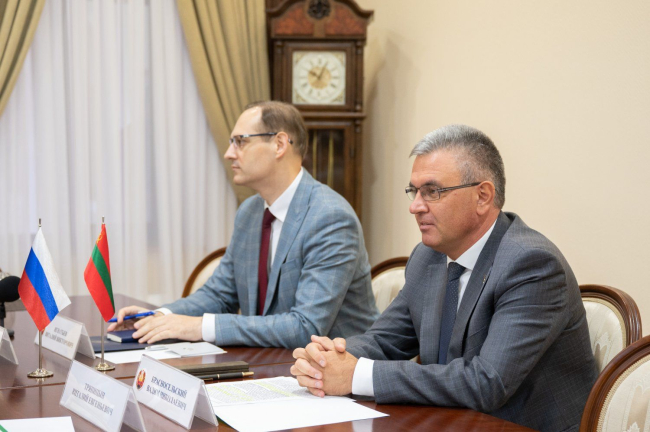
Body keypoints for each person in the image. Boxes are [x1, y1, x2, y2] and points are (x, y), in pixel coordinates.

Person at [291, 124, 598, 431]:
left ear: (482, 196)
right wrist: (328, 359)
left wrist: (357, 375)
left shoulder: (531, 264)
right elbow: (384, 340)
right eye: (414, 191)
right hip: (448, 422)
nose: (415, 206)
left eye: (432, 192)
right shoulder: (429, 257)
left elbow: (487, 382)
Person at [108, 101, 379, 349]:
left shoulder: (330, 217)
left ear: (279, 144)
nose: (229, 154)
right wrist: (160, 316)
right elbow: (219, 295)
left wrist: (200, 327)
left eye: (240, 141)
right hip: (269, 363)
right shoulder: (250, 212)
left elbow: (304, 327)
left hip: (337, 373)